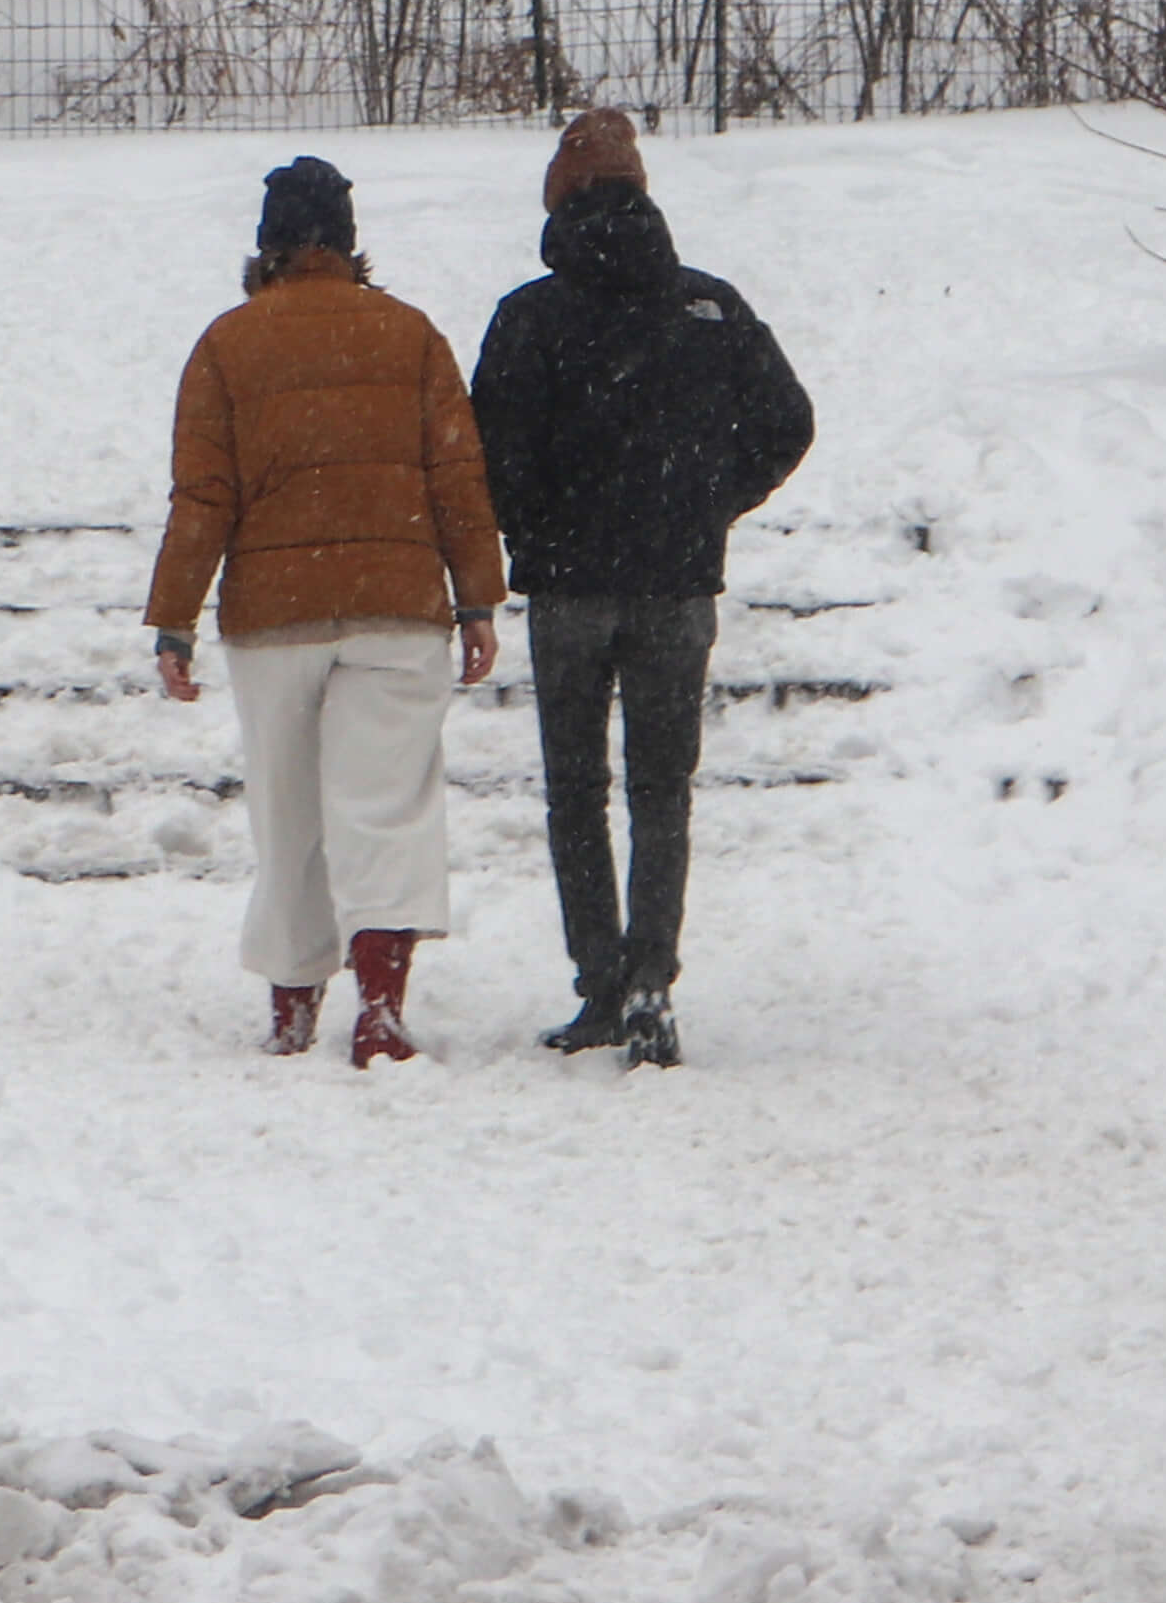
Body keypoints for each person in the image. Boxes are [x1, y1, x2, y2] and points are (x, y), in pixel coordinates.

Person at [472, 109, 814, 1070]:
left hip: (570, 591)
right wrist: (707, 505)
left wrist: (536, 526)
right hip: (675, 587)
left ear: (559, 201)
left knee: (575, 792)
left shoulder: (529, 315)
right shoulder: (707, 304)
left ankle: (597, 984)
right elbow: (787, 420)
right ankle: (653, 981)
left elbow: (489, 448)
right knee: (664, 791)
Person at [147, 156, 506, 1064]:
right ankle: (380, 1007)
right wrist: (477, 600)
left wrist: (174, 620)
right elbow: (458, 477)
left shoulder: (227, 342)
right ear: (347, 243)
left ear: (266, 245)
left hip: (275, 615)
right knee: (384, 804)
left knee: (288, 812)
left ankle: (291, 1007)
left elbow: (203, 495)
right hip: (397, 609)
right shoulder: (410, 335)